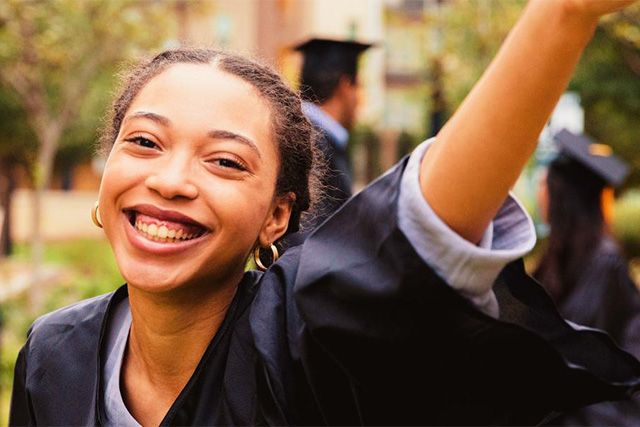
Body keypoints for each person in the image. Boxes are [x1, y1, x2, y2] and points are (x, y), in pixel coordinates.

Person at [9, 1, 640, 425]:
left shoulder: (301, 343)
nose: (170, 180)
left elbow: (420, 228)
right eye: (144, 142)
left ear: (277, 218)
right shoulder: (52, 354)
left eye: (225, 162)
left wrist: (563, 14)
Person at [535, 129, 640, 425]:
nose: (540, 194)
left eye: (545, 185)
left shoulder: (604, 264)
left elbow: (580, 355)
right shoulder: (565, 256)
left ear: (563, 196)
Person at [291, 38, 372, 232]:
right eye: (358, 87)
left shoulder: (296, 132)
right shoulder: (315, 145)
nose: (360, 99)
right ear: (345, 86)